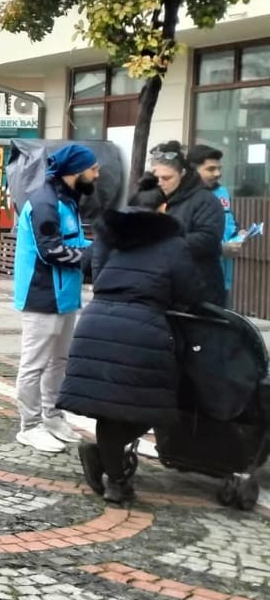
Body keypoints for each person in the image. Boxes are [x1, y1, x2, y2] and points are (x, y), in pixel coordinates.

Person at [58, 201, 208, 503]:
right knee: (155, 406)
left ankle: (114, 478)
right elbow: (191, 293)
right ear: (160, 213)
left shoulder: (109, 236)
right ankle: (108, 466)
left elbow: (89, 268)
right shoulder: (173, 245)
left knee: (108, 407)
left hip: (96, 323)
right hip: (143, 329)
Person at [13, 143, 100, 453]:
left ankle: (52, 416)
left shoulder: (68, 200)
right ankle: (29, 425)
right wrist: (93, 256)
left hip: (65, 294)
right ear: (75, 171)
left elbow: (74, 242)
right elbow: (51, 251)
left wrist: (97, 247)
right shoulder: (45, 202)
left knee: (59, 362)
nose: (97, 174)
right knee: (34, 364)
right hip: (41, 294)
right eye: (93, 169)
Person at [148, 141, 226, 306]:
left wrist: (162, 241)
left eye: (167, 178)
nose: (160, 182)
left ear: (182, 173)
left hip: (199, 291)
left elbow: (208, 240)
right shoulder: (151, 198)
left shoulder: (205, 200)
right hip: (161, 288)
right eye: (156, 178)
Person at [189, 144, 240, 307]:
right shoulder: (185, 198)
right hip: (197, 280)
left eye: (219, 168)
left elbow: (229, 220)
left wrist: (238, 235)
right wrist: (220, 249)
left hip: (223, 277)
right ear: (193, 170)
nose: (217, 173)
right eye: (211, 169)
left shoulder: (222, 192)